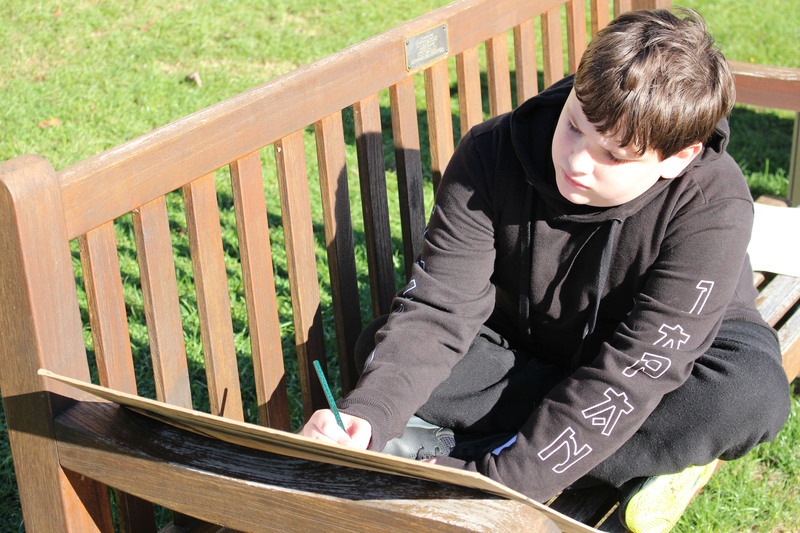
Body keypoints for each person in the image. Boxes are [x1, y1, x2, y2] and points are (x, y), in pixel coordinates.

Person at [302, 8, 790, 532]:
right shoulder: (492, 153)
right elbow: (439, 307)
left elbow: (634, 372)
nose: (578, 160)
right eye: (575, 125)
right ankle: (635, 458)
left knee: (745, 397)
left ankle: (604, 453)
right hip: (528, 348)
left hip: (669, 363)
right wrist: (367, 415)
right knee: (384, 347)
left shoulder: (712, 202)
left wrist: (492, 486)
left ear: (677, 158)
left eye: (614, 155)